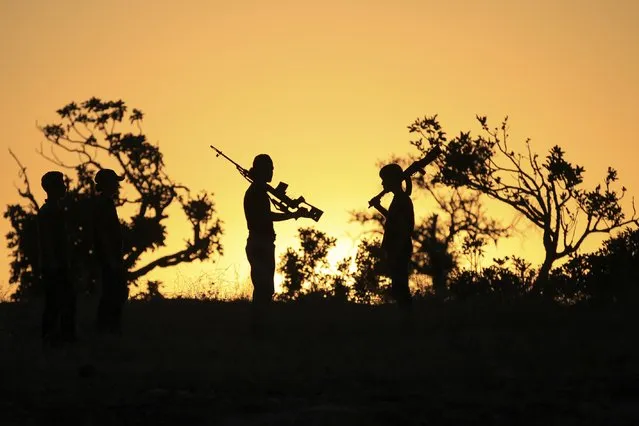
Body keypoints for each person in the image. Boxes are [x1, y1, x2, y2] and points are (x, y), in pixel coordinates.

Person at [244, 154, 306, 336]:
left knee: (264, 289)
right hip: (260, 243)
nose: (272, 172)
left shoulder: (260, 190)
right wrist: (293, 215)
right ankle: (259, 330)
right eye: (269, 168)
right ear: (261, 171)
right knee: (264, 289)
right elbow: (267, 216)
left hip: (261, 243)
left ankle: (260, 328)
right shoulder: (257, 192)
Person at [369, 163, 415, 326]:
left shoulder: (402, 199)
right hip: (397, 249)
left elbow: (403, 228)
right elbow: (394, 220)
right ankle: (406, 320)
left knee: (400, 287)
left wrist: (396, 251)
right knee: (398, 287)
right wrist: (379, 206)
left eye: (384, 180)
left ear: (391, 181)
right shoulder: (400, 199)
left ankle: (407, 322)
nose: (382, 184)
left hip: (399, 249)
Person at [37, 171, 76, 347]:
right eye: (61, 184)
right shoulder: (48, 212)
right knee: (55, 302)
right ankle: (51, 337)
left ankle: (64, 337)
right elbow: (47, 240)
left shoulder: (57, 210)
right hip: (54, 266)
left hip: (60, 264)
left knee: (66, 301)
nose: (65, 187)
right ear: (52, 188)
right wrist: (53, 263)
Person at [92, 168, 127, 334]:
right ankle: (108, 329)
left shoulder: (104, 203)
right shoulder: (103, 204)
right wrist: (111, 259)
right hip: (109, 257)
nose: (117, 187)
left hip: (111, 256)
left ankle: (108, 329)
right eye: (115, 183)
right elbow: (103, 234)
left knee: (114, 293)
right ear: (107, 184)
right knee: (113, 294)